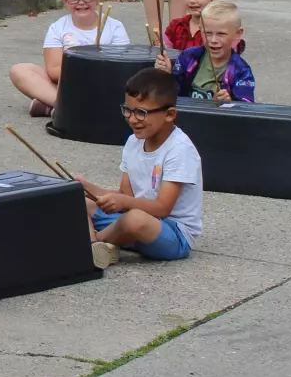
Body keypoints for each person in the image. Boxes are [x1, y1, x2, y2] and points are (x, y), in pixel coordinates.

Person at [74, 68, 202, 267]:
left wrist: (123, 202)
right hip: (131, 221)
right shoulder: (133, 142)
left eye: (141, 113)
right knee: (77, 201)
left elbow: (162, 208)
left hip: (172, 233)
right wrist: (88, 188)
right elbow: (125, 195)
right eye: (128, 110)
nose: (132, 119)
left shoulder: (180, 149)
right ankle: (102, 248)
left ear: (169, 114)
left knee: (134, 220)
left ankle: (96, 242)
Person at [8, 0, 130, 118]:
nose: (81, 2)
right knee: (19, 70)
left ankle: (54, 107)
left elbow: (121, 66)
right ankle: (69, 107)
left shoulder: (114, 27)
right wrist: (86, 69)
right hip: (69, 84)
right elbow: (53, 71)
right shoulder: (58, 28)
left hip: (104, 84)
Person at [156, 0, 254, 102]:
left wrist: (230, 103)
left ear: (237, 34)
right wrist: (166, 75)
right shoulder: (188, 57)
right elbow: (174, 94)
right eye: (208, 33)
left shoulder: (241, 71)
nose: (213, 40)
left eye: (221, 34)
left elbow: (246, 107)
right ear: (200, 30)